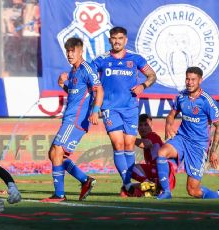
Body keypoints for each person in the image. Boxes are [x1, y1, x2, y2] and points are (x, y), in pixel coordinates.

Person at [92, 26, 157, 194]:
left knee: (129, 145)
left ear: (125, 40)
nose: (117, 41)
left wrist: (143, 85)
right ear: (109, 40)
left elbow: (152, 76)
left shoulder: (135, 58)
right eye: (114, 38)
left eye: (120, 38)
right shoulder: (102, 59)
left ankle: (129, 184)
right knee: (118, 144)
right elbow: (87, 74)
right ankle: (127, 184)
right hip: (110, 108)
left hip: (130, 108)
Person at [41, 37, 104, 202]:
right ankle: (85, 180)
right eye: (67, 51)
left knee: (56, 151)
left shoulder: (87, 68)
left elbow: (99, 90)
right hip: (69, 118)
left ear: (80, 51)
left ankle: (59, 194)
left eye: (72, 51)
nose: (69, 54)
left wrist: (95, 111)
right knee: (55, 154)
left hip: (76, 120)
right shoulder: (73, 71)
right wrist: (63, 85)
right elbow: (76, 94)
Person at [156, 67, 219, 200]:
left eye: (193, 79)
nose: (189, 82)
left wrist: (213, 151)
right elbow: (171, 115)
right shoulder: (181, 97)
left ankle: (217, 195)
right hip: (181, 139)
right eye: (187, 79)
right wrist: (168, 126)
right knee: (161, 153)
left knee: (193, 191)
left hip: (198, 146)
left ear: (200, 80)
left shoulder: (206, 101)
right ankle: (166, 192)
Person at [127, 114, 176, 197]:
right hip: (164, 178)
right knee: (126, 189)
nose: (143, 128)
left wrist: (129, 138)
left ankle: (150, 187)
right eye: (140, 125)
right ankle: (154, 189)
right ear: (137, 127)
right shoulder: (150, 137)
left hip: (162, 173)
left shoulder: (152, 136)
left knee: (130, 168)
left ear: (151, 126)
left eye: (146, 125)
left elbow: (146, 144)